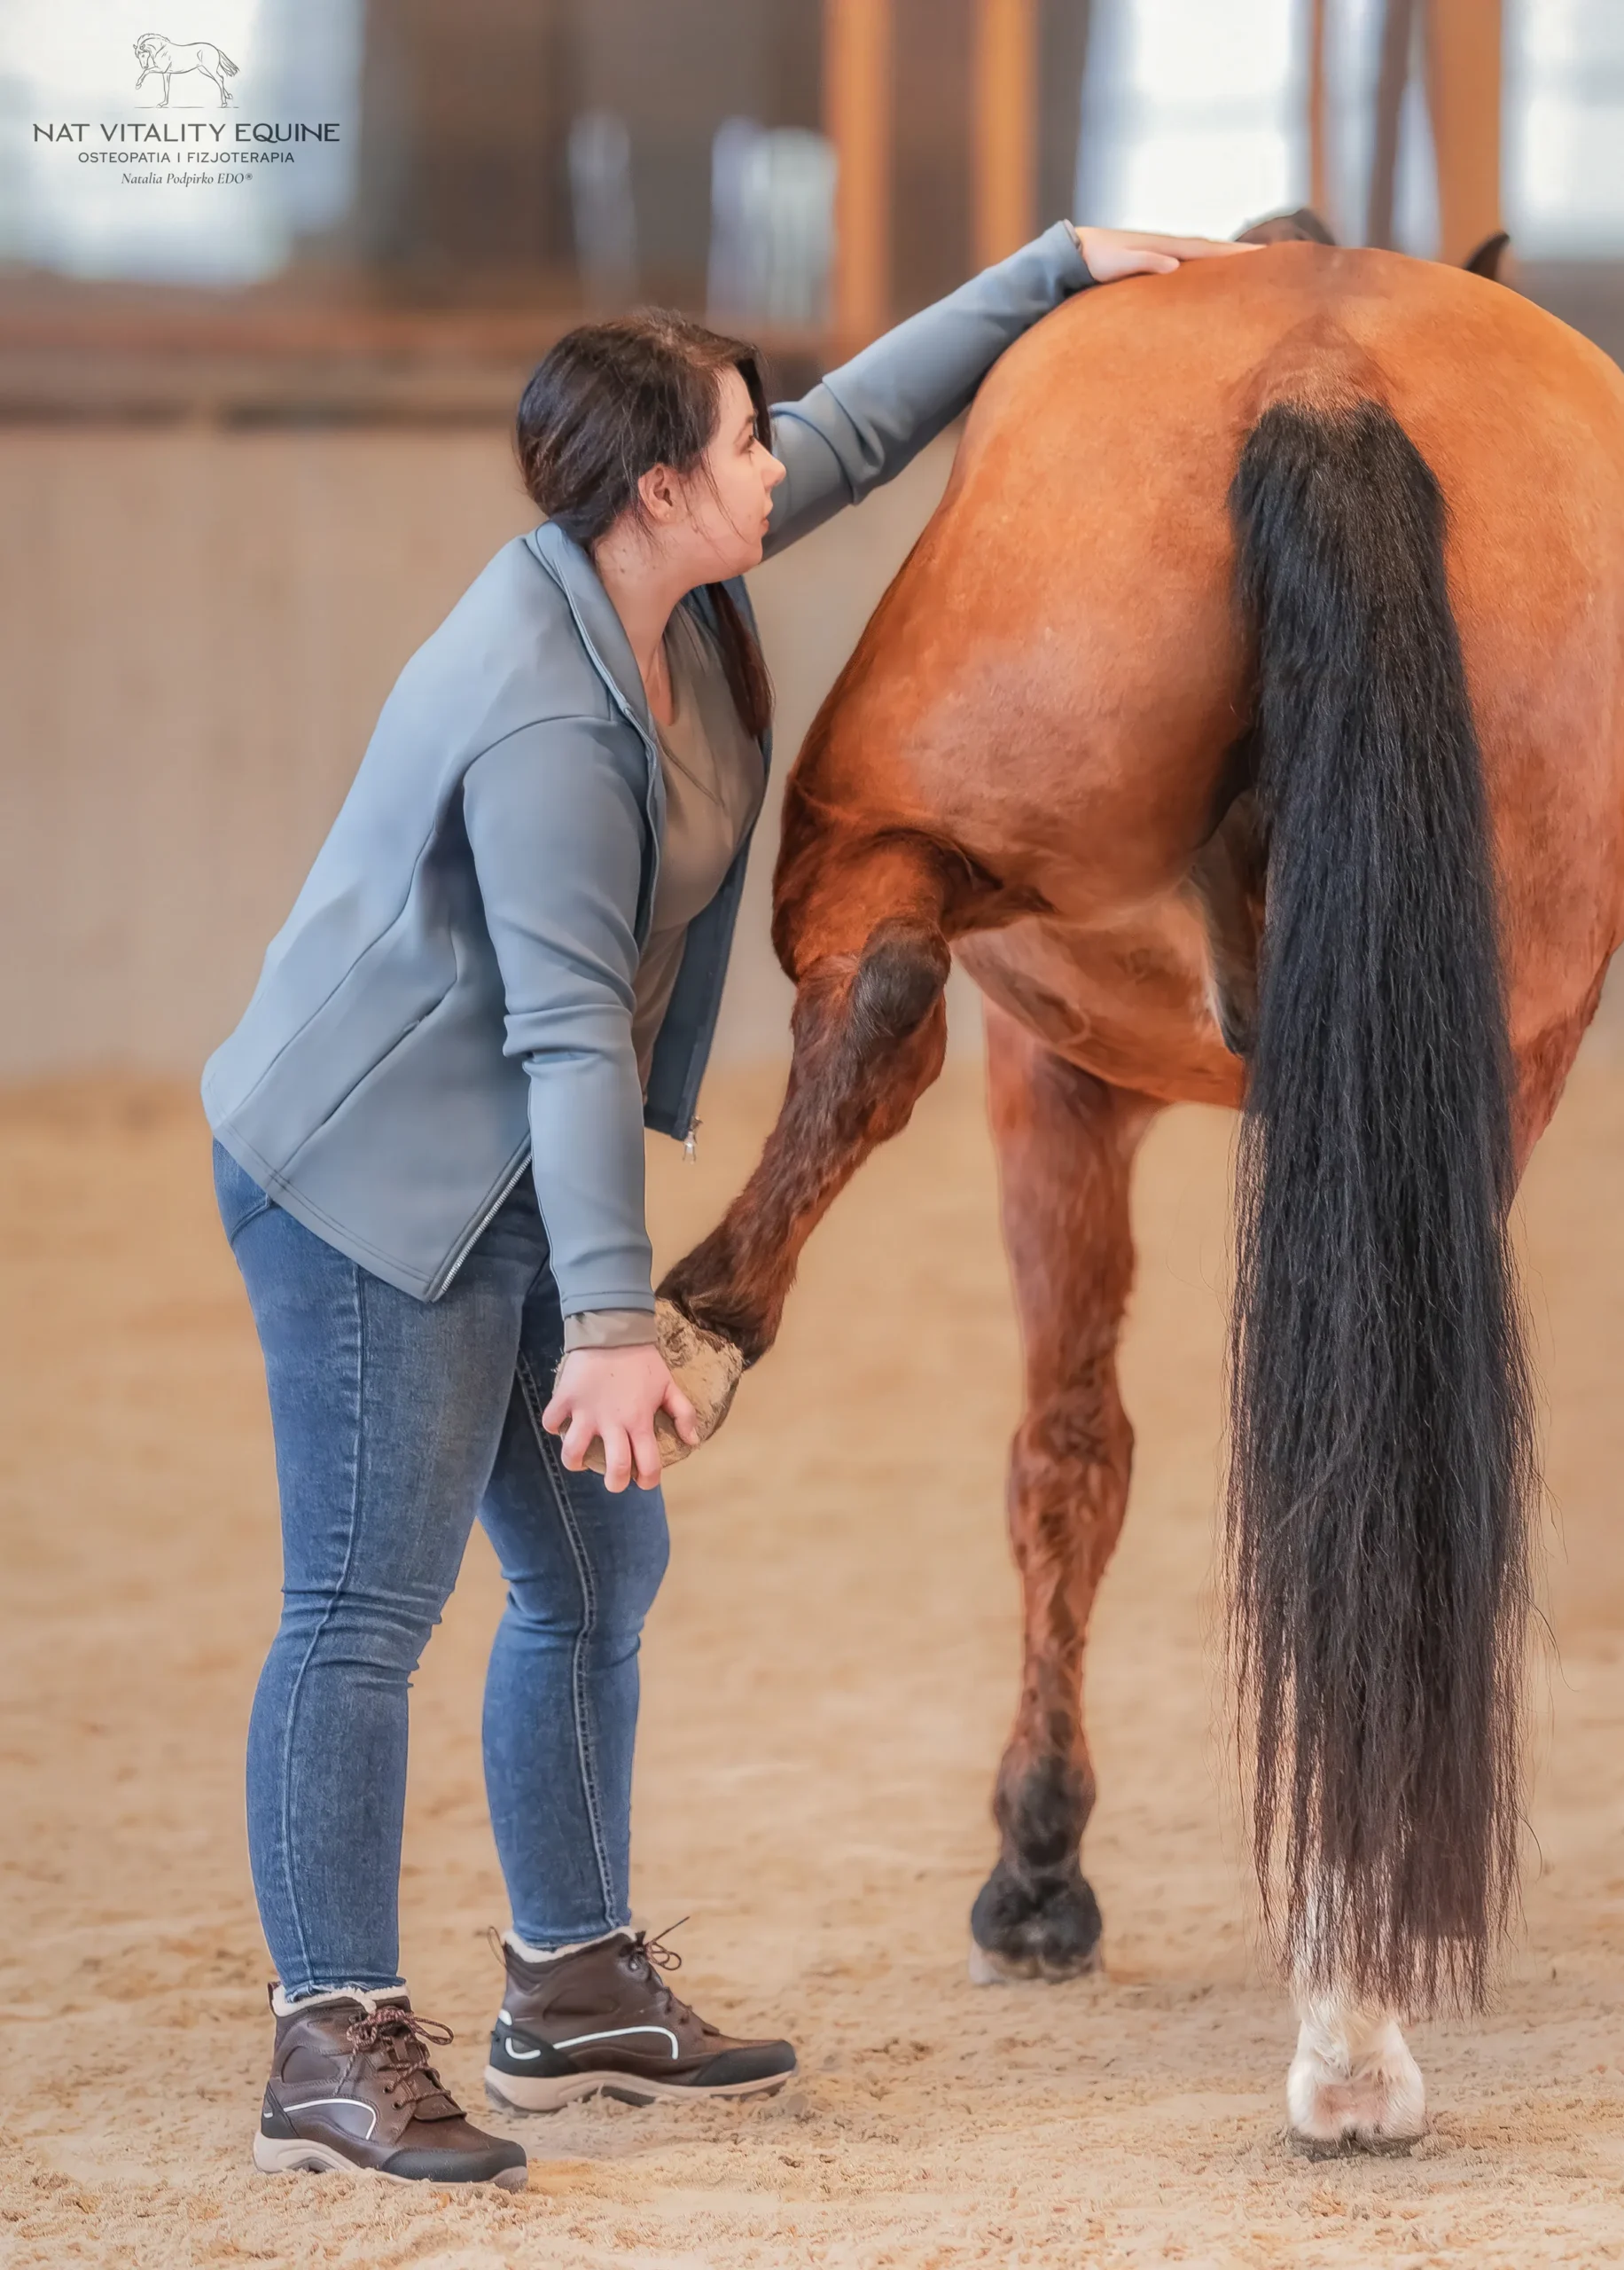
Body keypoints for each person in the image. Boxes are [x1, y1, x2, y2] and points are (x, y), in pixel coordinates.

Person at [205, 219, 1235, 2189]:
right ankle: (325, 2033)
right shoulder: (541, 713)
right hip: (370, 1179)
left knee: (597, 1573)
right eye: (744, 445)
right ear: (661, 483)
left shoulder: (669, 581)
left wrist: (1058, 268)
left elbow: (860, 422)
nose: (784, 462)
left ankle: (572, 1986)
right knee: (362, 1602)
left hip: (508, 1168)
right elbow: (568, 1035)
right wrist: (609, 1320)